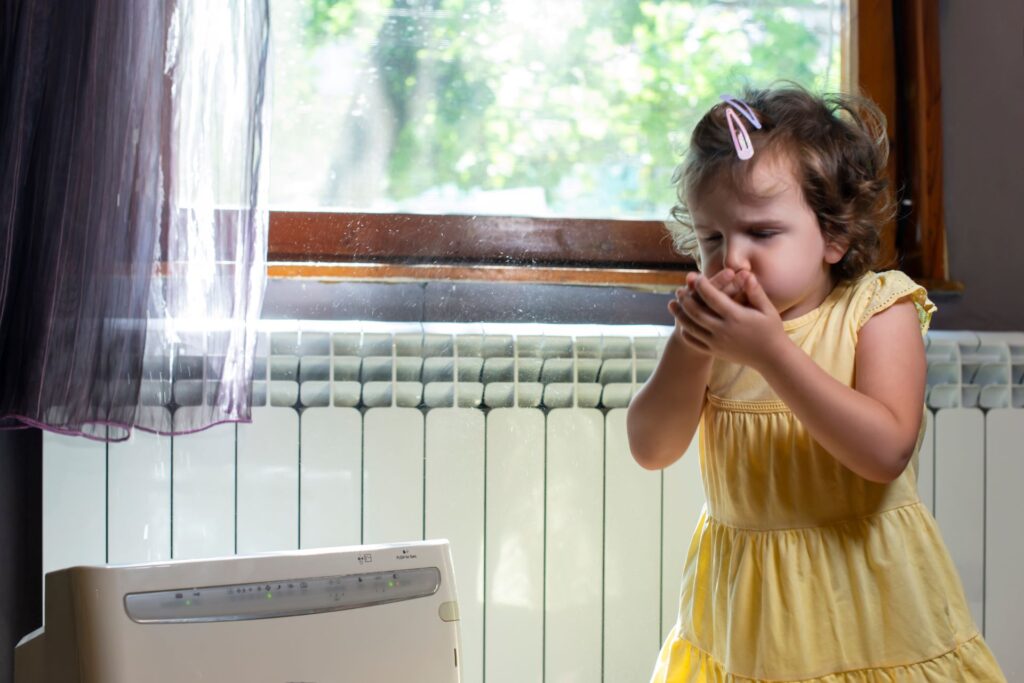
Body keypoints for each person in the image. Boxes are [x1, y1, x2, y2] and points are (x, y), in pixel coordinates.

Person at [627, 85, 1005, 682]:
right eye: (713, 239)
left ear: (834, 235)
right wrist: (689, 344)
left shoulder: (879, 311)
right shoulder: (716, 338)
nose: (733, 262)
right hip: (749, 615)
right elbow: (651, 448)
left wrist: (772, 354)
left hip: (868, 601)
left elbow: (885, 452)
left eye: (763, 233)